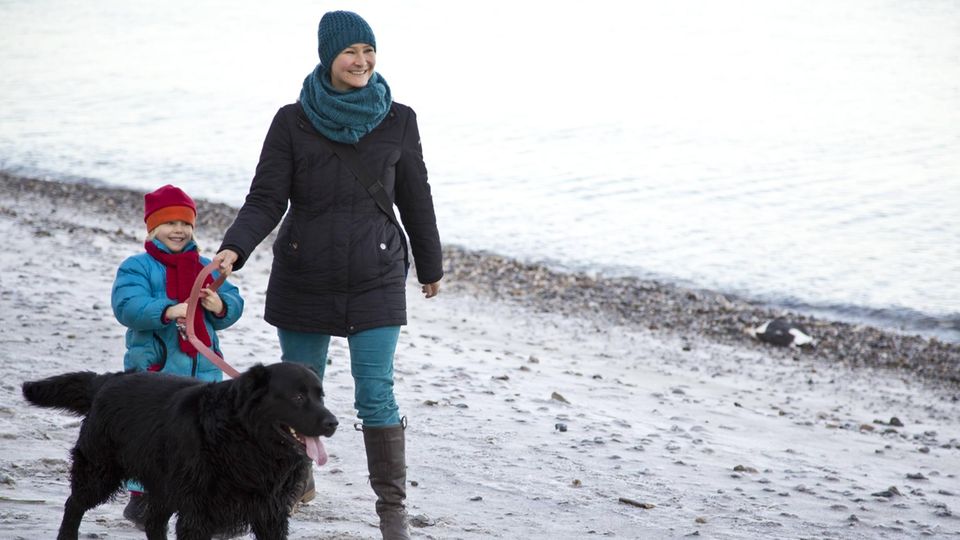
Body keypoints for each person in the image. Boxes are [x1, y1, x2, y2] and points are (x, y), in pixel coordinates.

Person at [214, 10, 442, 540]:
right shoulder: (291, 121)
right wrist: (233, 249)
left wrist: (429, 265)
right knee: (296, 393)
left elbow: (416, 197)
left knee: (376, 393)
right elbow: (266, 198)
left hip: (376, 274)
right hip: (306, 274)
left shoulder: (400, 119)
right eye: (349, 52)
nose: (361, 61)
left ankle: (392, 513)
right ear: (328, 56)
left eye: (368, 50)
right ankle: (294, 482)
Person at [111, 184, 244, 529]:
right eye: (170, 223)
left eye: (185, 223)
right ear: (153, 228)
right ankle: (142, 499)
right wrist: (168, 310)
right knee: (151, 435)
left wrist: (220, 305)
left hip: (204, 372)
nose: (179, 230)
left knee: (205, 437)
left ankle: (208, 508)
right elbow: (126, 307)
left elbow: (234, 304)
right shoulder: (137, 267)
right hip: (155, 371)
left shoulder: (205, 266)